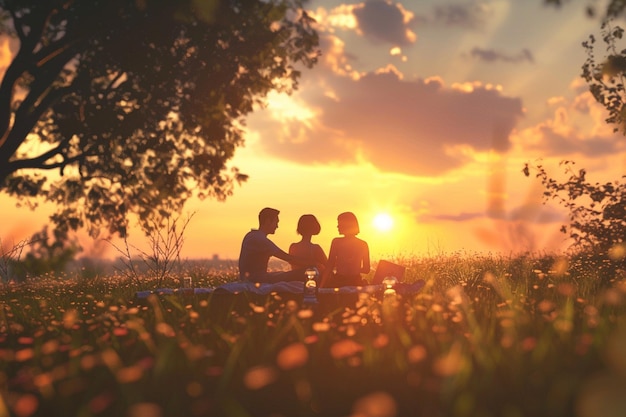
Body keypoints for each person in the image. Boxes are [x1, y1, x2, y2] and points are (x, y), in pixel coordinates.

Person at [238, 207, 310, 283]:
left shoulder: (251, 235)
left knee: (282, 274)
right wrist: (311, 264)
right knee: (304, 272)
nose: (277, 226)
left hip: (253, 278)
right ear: (268, 221)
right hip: (256, 280)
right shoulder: (260, 239)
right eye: (276, 222)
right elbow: (287, 258)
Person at [321, 211, 370, 288]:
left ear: (346, 225)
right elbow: (366, 269)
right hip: (356, 282)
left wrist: (321, 286)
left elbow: (329, 266)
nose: (337, 226)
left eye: (339, 223)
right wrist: (354, 268)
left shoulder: (336, 242)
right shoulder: (363, 244)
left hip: (339, 282)